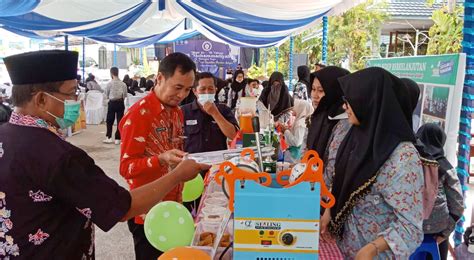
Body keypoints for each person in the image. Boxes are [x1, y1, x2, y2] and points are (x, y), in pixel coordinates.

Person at [0, 50, 209, 258]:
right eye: (72, 93)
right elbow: (121, 207)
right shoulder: (59, 155)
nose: (77, 101)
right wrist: (177, 174)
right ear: (41, 100)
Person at [321, 67, 424, 259]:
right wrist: (330, 210)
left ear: (369, 102)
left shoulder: (402, 157)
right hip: (344, 248)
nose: (345, 107)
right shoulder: (355, 136)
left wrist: (373, 248)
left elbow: (411, 228)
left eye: (349, 101)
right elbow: (341, 179)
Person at [119, 52, 197, 259]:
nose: (181, 95)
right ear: (160, 78)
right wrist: (160, 159)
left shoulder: (177, 112)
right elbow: (126, 168)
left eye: (188, 90)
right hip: (148, 213)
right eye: (177, 87)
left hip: (175, 205)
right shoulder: (139, 115)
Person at [416, 123, 464, 260]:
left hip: (411, 230)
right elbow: (458, 205)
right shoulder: (445, 167)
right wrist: (444, 234)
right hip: (437, 232)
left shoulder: (410, 164)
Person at [305, 66, 350, 190]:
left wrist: (316, 191)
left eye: (321, 91)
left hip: (326, 193)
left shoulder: (344, 121)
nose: (314, 95)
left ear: (334, 91)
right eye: (313, 89)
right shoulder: (315, 117)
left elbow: (333, 165)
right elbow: (306, 151)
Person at [182, 72, 239, 154]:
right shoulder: (184, 111)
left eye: (210, 89)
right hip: (192, 162)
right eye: (202, 89)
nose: (207, 92)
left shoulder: (224, 110)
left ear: (215, 90)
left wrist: (215, 113)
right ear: (195, 91)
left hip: (218, 162)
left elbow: (234, 136)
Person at [104, 67, 127, 145]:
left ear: (111, 73)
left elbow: (106, 94)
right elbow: (125, 95)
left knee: (109, 120)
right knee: (120, 121)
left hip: (112, 103)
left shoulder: (109, 84)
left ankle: (109, 137)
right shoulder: (123, 84)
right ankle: (118, 138)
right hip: (120, 102)